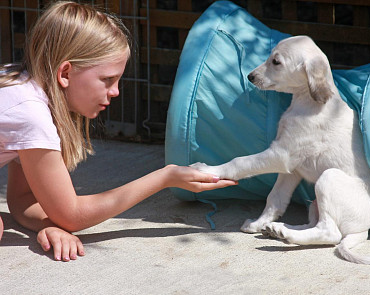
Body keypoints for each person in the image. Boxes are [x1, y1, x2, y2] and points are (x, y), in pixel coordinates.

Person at [0, 1, 236, 262]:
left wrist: (47, 224)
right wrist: (165, 177)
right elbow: (72, 214)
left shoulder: (21, 84)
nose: (115, 92)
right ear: (65, 72)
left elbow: (22, 198)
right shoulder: (30, 115)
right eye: (107, 79)